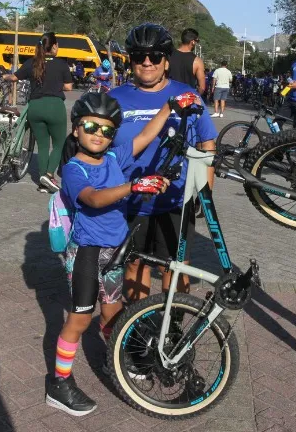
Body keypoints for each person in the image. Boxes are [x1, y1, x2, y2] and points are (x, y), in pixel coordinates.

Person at [48, 91, 201, 416]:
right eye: (91, 126)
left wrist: (170, 106)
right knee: (78, 319)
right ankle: (59, 384)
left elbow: (146, 135)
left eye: (106, 129)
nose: (98, 134)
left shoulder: (116, 157)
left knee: (112, 314)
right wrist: (135, 186)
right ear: (76, 129)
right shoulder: (75, 170)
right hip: (87, 253)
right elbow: (94, 199)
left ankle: (115, 359)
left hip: (115, 253)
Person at [109, 23, 218, 301]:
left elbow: (207, 144)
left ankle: (176, 327)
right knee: (135, 262)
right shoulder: (114, 98)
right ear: (131, 60)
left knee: (177, 265)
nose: (147, 63)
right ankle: (138, 327)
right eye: (139, 56)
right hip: (131, 198)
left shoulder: (188, 95)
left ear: (166, 61)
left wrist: (205, 192)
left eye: (155, 56)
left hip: (176, 199)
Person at [3, 32, 73, 193]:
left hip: (35, 107)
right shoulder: (62, 64)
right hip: (54, 106)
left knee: (42, 145)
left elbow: (13, 77)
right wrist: (55, 85)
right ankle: (48, 175)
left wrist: (4, 75)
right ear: (54, 46)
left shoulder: (32, 63)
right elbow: (69, 87)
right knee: (58, 144)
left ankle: (42, 183)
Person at [168, 28, 206, 95]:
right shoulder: (197, 61)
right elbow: (202, 87)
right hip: (186, 101)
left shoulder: (169, 55)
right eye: (197, 41)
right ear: (193, 42)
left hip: (168, 97)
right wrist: (195, 97)